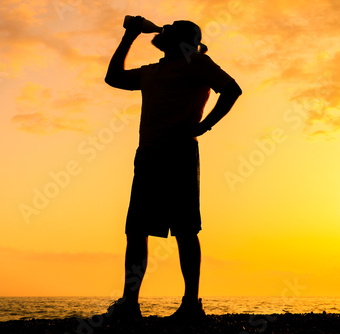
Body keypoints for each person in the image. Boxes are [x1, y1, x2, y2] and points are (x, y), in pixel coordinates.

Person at [101, 16, 242, 324]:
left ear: (186, 41)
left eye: (172, 27)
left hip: (179, 155)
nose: (163, 29)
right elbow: (113, 78)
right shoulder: (154, 71)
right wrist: (129, 35)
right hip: (148, 156)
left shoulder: (197, 62)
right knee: (136, 231)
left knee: (185, 231)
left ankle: (191, 304)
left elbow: (232, 89)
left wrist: (204, 126)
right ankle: (130, 304)